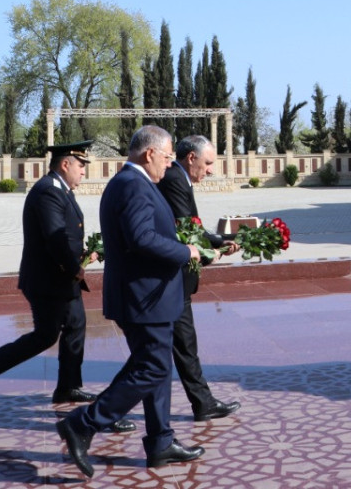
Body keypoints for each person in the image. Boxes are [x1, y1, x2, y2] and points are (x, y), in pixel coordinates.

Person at [56, 126, 204, 477]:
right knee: (152, 367)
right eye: (168, 157)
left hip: (146, 295)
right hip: (143, 296)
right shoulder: (132, 185)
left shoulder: (131, 183)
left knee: (153, 365)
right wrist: (186, 251)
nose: (170, 166)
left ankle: (161, 442)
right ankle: (84, 423)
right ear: (149, 153)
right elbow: (142, 238)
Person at [0, 141, 132, 433]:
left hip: (60, 278)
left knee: (76, 326)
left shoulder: (60, 190)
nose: (84, 172)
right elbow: (55, 239)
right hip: (47, 280)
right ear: (65, 164)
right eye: (81, 166)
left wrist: (84, 255)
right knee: (46, 336)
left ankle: (68, 386)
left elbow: (66, 237)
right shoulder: (48, 191)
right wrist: (74, 267)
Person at [157, 134, 241, 421]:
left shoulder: (180, 179)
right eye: (207, 163)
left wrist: (220, 241)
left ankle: (202, 403)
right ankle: (98, 415)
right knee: (168, 351)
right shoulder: (174, 180)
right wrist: (219, 242)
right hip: (170, 278)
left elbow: (191, 228)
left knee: (179, 346)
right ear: (190, 158)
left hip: (174, 277)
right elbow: (185, 230)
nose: (210, 170)